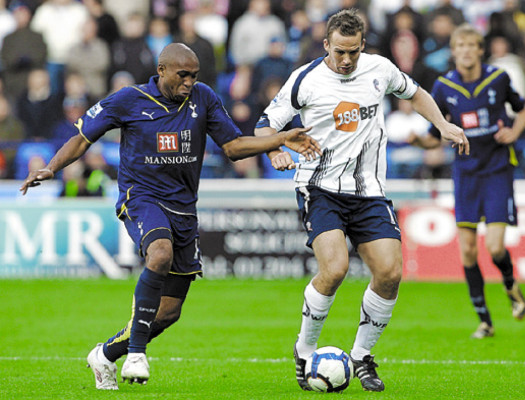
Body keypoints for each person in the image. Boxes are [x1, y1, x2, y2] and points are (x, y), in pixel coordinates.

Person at [20, 43, 321, 390]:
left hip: (183, 209)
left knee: (168, 313)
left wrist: (279, 140)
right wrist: (51, 167)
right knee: (159, 252)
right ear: (161, 70)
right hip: (141, 198)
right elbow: (82, 138)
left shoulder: (203, 98)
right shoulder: (129, 99)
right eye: (183, 75)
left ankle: (104, 355)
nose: (189, 82)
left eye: (194, 75)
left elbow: (233, 147)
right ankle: (136, 354)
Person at [254, 9, 468, 392]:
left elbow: (416, 92)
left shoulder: (380, 69)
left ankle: (361, 356)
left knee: (390, 273)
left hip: (369, 191)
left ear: (363, 45)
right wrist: (275, 149)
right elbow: (264, 124)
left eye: (353, 51)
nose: (346, 59)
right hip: (320, 188)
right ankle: (305, 350)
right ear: (326, 45)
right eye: (339, 51)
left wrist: (442, 124)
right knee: (335, 269)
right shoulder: (305, 80)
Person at [409, 23, 525, 339]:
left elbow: (524, 110)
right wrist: (418, 141)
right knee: (466, 251)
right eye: (459, 45)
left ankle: (510, 284)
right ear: (453, 51)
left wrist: (514, 132)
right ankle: (485, 321)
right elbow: (434, 136)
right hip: (465, 174)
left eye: (470, 45)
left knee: (495, 246)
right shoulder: (443, 87)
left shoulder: (498, 79)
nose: (465, 50)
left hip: (497, 170)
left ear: (480, 50)